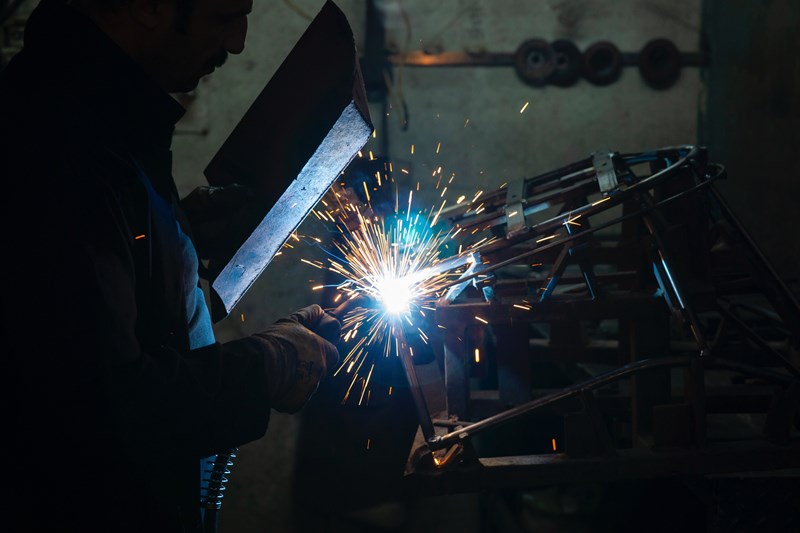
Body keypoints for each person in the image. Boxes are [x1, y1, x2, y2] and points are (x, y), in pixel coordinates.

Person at [0, 0, 340, 531]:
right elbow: (107, 410)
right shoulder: (55, 146)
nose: (238, 43)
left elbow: (92, 287)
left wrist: (175, 232)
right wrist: (267, 363)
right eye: (225, 15)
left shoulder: (105, 120)